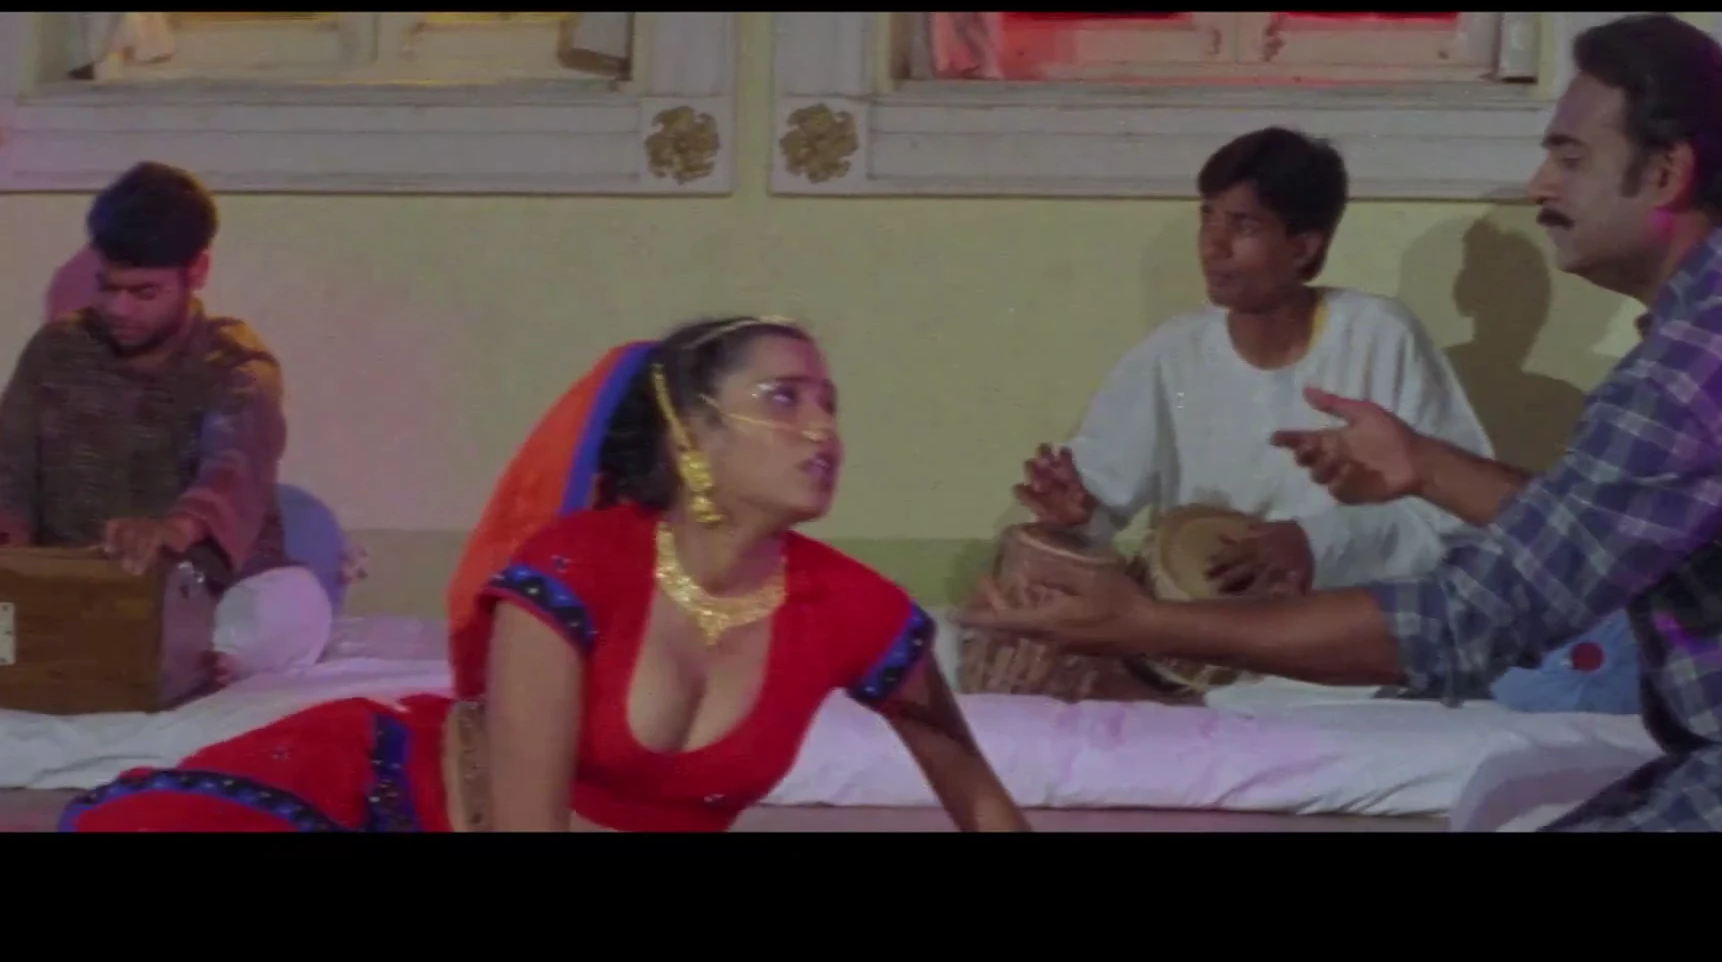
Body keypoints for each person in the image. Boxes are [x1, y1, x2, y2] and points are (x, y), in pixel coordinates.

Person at [960, 13, 1722, 831]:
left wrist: (1151, 622)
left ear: (1666, 171)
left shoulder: (1699, 367)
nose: (1542, 186)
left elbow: (1469, 620)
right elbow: (1590, 531)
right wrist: (1422, 461)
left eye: (1570, 157)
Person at [61, 316, 1032, 832]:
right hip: (380, 797)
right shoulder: (575, 571)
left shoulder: (855, 608)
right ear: (690, 435)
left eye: (829, 403)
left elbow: (980, 797)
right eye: (784, 399)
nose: (823, 429)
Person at [1013, 127, 1492, 701]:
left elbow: (1451, 522)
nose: (1212, 246)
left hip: (1350, 667)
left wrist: (1312, 545)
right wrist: (1077, 512)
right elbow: (1102, 498)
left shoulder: (1380, 336)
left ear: (1304, 247)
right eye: (1207, 218)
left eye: (1242, 226)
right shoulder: (1173, 352)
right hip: (1198, 659)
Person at [0, 161, 331, 687]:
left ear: (196, 272)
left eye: (144, 293)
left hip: (203, 592)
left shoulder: (236, 364)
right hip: (73, 588)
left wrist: (172, 529)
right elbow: (9, 465)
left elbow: (233, 465)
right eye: (107, 287)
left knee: (292, 603)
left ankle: (204, 662)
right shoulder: (55, 351)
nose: (118, 309)